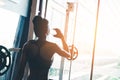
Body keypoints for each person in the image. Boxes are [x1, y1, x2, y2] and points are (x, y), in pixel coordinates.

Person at [15, 15, 71, 80]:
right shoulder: (53, 46)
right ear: (47, 30)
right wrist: (62, 38)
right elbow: (68, 55)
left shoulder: (28, 45)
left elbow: (20, 72)